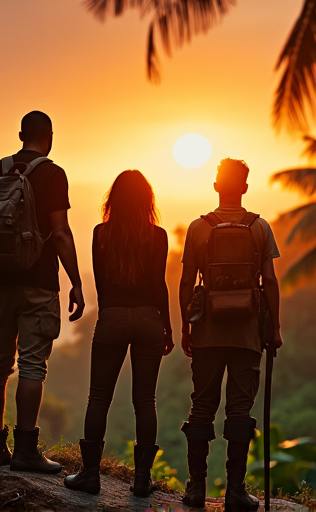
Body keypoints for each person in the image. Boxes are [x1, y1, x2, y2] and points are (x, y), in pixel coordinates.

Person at [0, 110, 85, 473]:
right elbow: (59, 232)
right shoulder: (53, 174)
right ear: (49, 136)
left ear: (21, 134)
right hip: (37, 282)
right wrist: (77, 281)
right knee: (32, 365)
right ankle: (25, 450)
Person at [179, 158, 283, 510]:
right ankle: (235, 492)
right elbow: (268, 280)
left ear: (215, 186)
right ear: (245, 187)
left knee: (202, 407)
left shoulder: (198, 227)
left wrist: (185, 324)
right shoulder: (259, 227)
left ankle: (196, 489)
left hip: (208, 330)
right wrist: (275, 327)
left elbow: (186, 280)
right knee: (239, 409)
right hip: (247, 333)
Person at [64, 170, 174, 497]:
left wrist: (111, 314)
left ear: (113, 200)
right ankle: (142, 479)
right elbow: (158, 284)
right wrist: (167, 325)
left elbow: (101, 283)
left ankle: (90, 474)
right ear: (147, 201)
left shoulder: (101, 233)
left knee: (99, 398)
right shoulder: (158, 236)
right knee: (145, 400)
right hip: (148, 320)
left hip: (111, 317)